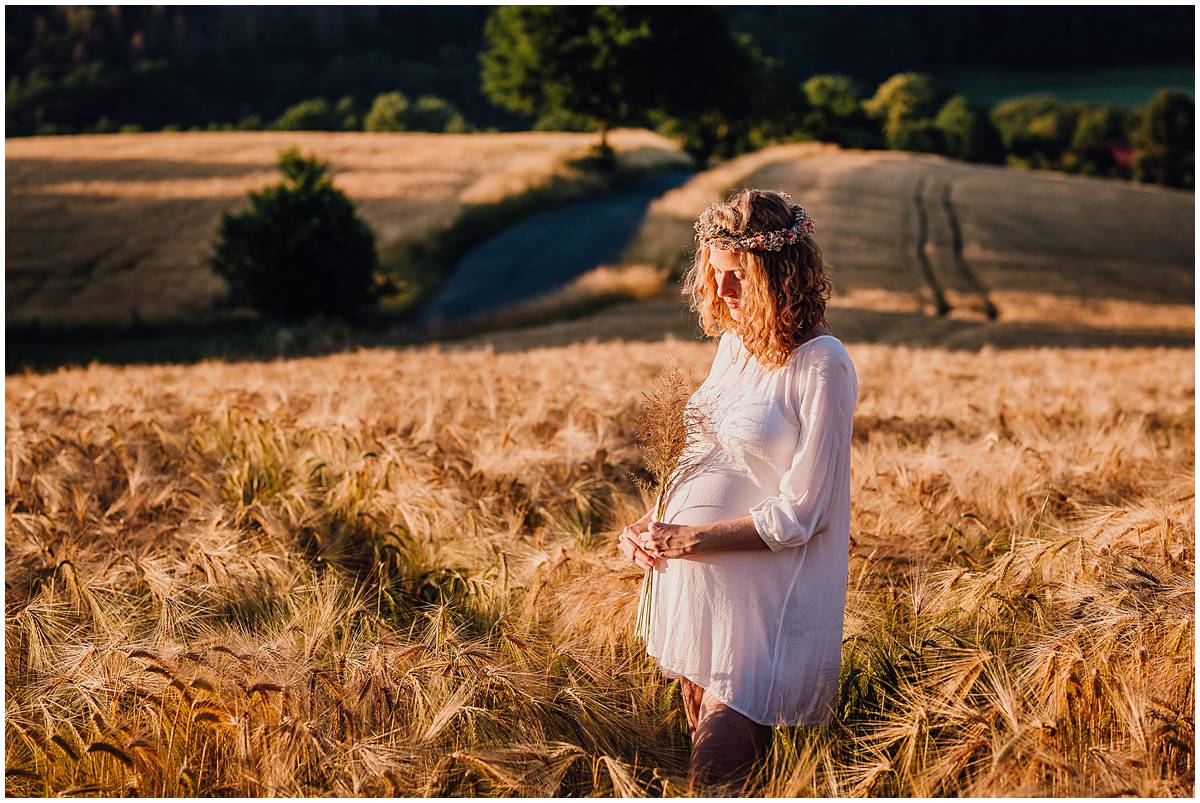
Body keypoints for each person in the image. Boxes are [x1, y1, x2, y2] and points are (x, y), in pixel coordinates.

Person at [617, 188, 859, 792]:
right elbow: (706, 454)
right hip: (697, 592)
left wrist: (693, 537)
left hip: (761, 608)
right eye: (715, 276)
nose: (721, 293)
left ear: (782, 275)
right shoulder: (732, 349)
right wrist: (651, 525)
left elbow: (809, 510)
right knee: (724, 778)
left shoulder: (821, 363)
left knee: (714, 775)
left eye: (738, 278)